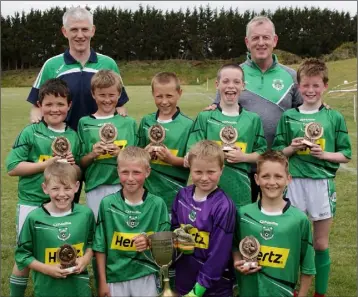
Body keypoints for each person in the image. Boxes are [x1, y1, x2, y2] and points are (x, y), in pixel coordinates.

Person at [26, 6, 130, 203]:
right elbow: (36, 105)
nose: (80, 35)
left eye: (84, 29)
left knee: (105, 202)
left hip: (98, 148)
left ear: (93, 30)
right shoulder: (52, 65)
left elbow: (120, 104)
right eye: (74, 30)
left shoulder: (108, 63)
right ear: (65, 32)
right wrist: (37, 122)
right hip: (64, 147)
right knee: (62, 200)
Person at [272, 58, 352, 297]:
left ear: (325, 86)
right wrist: (292, 148)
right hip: (294, 182)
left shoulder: (333, 117)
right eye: (305, 85)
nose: (310, 90)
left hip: (321, 185)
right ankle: (292, 288)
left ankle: (320, 293)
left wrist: (324, 154)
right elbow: (278, 153)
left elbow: (345, 154)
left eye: (316, 85)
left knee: (320, 243)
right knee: (294, 240)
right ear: (298, 86)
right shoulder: (288, 117)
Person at [207, 16, 302, 203]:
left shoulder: (291, 76)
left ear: (274, 40)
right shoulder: (234, 75)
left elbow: (304, 112)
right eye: (255, 38)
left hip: (278, 167)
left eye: (266, 37)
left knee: (274, 221)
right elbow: (217, 112)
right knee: (241, 221)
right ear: (247, 42)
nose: (261, 43)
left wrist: (323, 109)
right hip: (241, 167)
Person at [6, 78, 81, 297]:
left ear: (69, 106)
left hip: (61, 205)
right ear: (40, 106)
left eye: (60, 104)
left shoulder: (73, 136)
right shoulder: (30, 132)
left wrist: (72, 164)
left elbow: (76, 173)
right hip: (32, 202)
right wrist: (47, 164)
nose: (54, 109)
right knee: (25, 254)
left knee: (57, 251)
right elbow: (12, 167)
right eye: (48, 104)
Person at [233, 150, 316, 297]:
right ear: (257, 179)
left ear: (288, 179)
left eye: (278, 176)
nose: (272, 182)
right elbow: (235, 246)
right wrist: (238, 262)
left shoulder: (299, 219)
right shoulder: (243, 214)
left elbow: (308, 266)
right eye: (266, 176)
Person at [93, 146, 171, 297]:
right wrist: (102, 281)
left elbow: (166, 247)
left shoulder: (157, 204)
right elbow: (100, 246)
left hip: (145, 275)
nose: (130, 178)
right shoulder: (108, 204)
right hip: (115, 276)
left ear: (147, 172)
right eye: (125, 172)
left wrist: (149, 242)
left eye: (136, 172)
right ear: (118, 171)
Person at [186, 64, 267, 209]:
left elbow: (262, 154)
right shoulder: (205, 117)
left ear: (243, 85)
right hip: (207, 189)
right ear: (217, 84)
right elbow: (191, 152)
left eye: (236, 82)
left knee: (236, 229)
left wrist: (244, 157)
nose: (231, 86)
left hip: (240, 191)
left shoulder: (253, 119)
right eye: (226, 81)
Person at [15, 162, 95, 297]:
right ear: (45, 188)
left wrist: (85, 259)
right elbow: (22, 255)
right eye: (55, 188)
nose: (62, 194)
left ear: (76, 187)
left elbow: (93, 243)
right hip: (47, 290)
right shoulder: (34, 218)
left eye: (67, 188)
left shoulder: (85, 214)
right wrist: (47, 269)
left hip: (79, 290)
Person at [171, 140, 236, 297]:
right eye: (198, 172)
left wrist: (198, 290)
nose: (204, 178)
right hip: (183, 280)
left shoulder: (224, 206)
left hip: (213, 288)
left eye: (211, 172)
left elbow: (219, 255)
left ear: (222, 169)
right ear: (190, 169)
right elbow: (173, 229)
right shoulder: (182, 196)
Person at [78, 69, 138, 220]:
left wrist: (120, 154)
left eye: (111, 95)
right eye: (102, 95)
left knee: (122, 227)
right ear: (93, 94)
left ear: (119, 95)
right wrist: (93, 154)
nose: (107, 100)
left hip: (124, 185)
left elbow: (137, 159)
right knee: (99, 227)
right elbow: (80, 162)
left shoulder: (128, 123)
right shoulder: (84, 123)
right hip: (95, 186)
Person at [137, 72, 193, 212]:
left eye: (169, 96)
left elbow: (193, 162)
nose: (164, 101)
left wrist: (172, 160)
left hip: (174, 194)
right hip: (146, 193)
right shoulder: (146, 121)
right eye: (159, 96)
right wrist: (144, 154)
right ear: (153, 94)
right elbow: (135, 156)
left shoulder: (189, 125)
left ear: (179, 93)